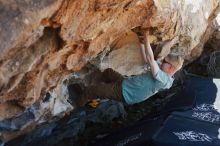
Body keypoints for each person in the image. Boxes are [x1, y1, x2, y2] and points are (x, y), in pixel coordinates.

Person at [71, 31, 184, 106]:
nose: (162, 60)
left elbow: (150, 58)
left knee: (91, 91)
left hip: (125, 93)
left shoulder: (164, 80)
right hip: (126, 83)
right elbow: (147, 60)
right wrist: (141, 43)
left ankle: (75, 103)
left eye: (165, 61)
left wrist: (145, 37)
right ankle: (101, 92)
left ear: (171, 67)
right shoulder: (162, 70)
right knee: (108, 73)